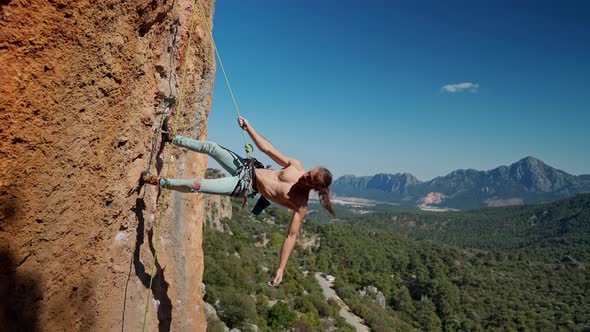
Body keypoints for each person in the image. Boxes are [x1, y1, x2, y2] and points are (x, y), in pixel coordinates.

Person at [141, 117, 335, 287]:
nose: (305, 176)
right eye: (310, 172)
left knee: (199, 185)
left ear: (316, 188)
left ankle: (158, 181)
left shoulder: (300, 205)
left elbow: (290, 237)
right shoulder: (297, 166)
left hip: (243, 186)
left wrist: (281, 269)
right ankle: (171, 138)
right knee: (212, 147)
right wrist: (248, 128)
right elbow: (268, 149)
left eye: (310, 179)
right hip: (247, 168)